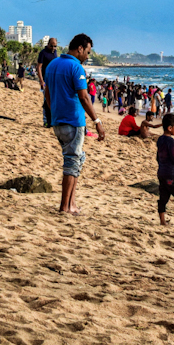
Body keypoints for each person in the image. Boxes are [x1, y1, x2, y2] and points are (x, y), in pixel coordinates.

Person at [44, 33, 105, 214]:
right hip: (73, 121)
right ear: (79, 48)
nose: (88, 56)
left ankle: (72, 203)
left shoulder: (53, 64)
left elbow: (47, 93)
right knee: (71, 162)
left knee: (76, 159)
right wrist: (97, 121)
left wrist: (53, 112)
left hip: (57, 121)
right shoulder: (76, 67)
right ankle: (65, 206)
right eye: (87, 52)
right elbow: (84, 97)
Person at [156, 114, 174, 228]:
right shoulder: (171, 142)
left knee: (163, 196)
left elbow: (158, 157)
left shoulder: (160, 139)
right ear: (169, 128)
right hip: (171, 174)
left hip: (161, 172)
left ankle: (162, 221)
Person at [37, 37, 59, 128]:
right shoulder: (43, 53)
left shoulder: (55, 53)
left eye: (55, 46)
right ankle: (46, 121)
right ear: (48, 44)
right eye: (52, 46)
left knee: (53, 101)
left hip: (54, 80)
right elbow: (38, 67)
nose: (53, 48)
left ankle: (52, 121)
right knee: (46, 100)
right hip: (46, 80)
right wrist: (42, 81)